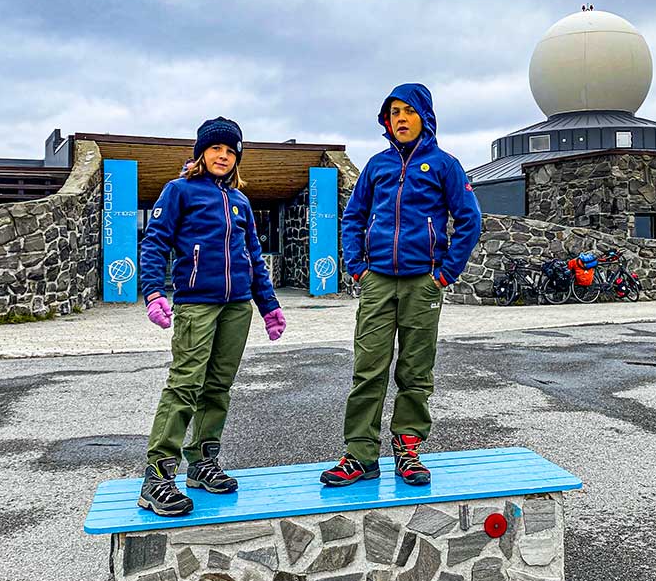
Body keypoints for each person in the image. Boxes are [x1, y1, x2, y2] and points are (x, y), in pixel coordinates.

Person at [321, 84, 482, 487]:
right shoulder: (377, 167)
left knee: (415, 371)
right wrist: (357, 267)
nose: (400, 119)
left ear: (424, 117)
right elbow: (353, 217)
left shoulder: (445, 165)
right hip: (376, 281)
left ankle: (408, 449)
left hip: (422, 284)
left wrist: (443, 274)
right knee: (368, 369)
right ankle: (360, 455)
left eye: (407, 111)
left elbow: (469, 220)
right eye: (393, 113)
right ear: (386, 122)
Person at [136, 117, 287, 516]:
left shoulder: (240, 202)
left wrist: (268, 305)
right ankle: (157, 477)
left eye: (230, 150)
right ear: (201, 152)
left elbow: (254, 256)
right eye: (216, 148)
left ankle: (202, 463)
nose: (223, 155)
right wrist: (154, 293)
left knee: (218, 387)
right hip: (197, 304)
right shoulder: (179, 192)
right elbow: (154, 243)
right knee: (185, 385)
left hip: (237, 307)